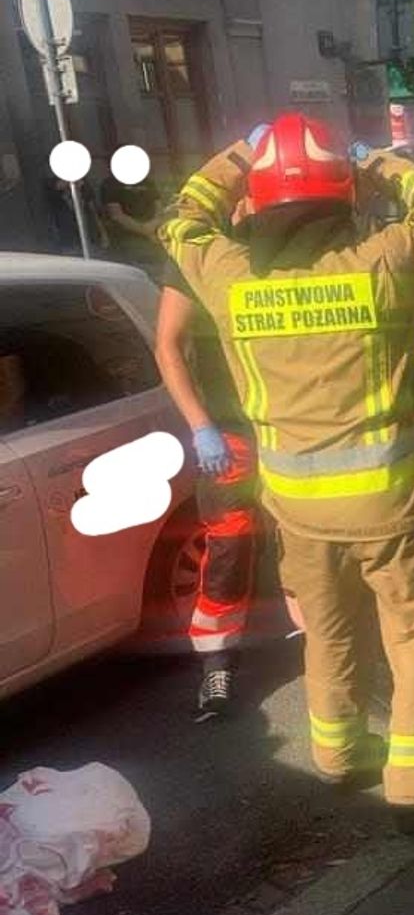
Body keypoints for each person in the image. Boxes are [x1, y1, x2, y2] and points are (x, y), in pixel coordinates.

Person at [159, 112, 414, 830]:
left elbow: (184, 218)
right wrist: (374, 158)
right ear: (347, 196)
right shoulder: (385, 262)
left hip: (296, 504)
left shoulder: (229, 276)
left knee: (329, 632)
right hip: (388, 504)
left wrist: (242, 151)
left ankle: (339, 758)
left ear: (258, 203)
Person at [155, 231, 260, 718]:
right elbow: (168, 345)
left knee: (306, 543)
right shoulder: (197, 258)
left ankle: (327, 657)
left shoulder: (293, 242)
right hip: (230, 431)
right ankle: (216, 664)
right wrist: (201, 426)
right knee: (229, 549)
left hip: (292, 425)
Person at [100, 166, 163, 270]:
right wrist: (145, 231)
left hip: (154, 237)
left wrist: (153, 227)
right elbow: (117, 215)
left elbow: (159, 208)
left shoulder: (147, 182)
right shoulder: (111, 184)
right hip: (127, 239)